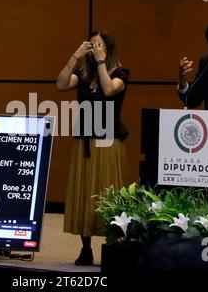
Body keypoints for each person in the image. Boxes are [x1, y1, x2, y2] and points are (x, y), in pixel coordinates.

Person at [56, 30, 129, 265]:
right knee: (84, 193)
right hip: (84, 142)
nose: (95, 49)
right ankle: (85, 249)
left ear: (108, 49)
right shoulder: (83, 75)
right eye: (92, 45)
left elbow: (109, 90)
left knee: (108, 194)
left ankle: (113, 248)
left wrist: (100, 63)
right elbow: (61, 84)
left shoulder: (120, 73)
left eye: (100, 45)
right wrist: (74, 56)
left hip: (108, 143)